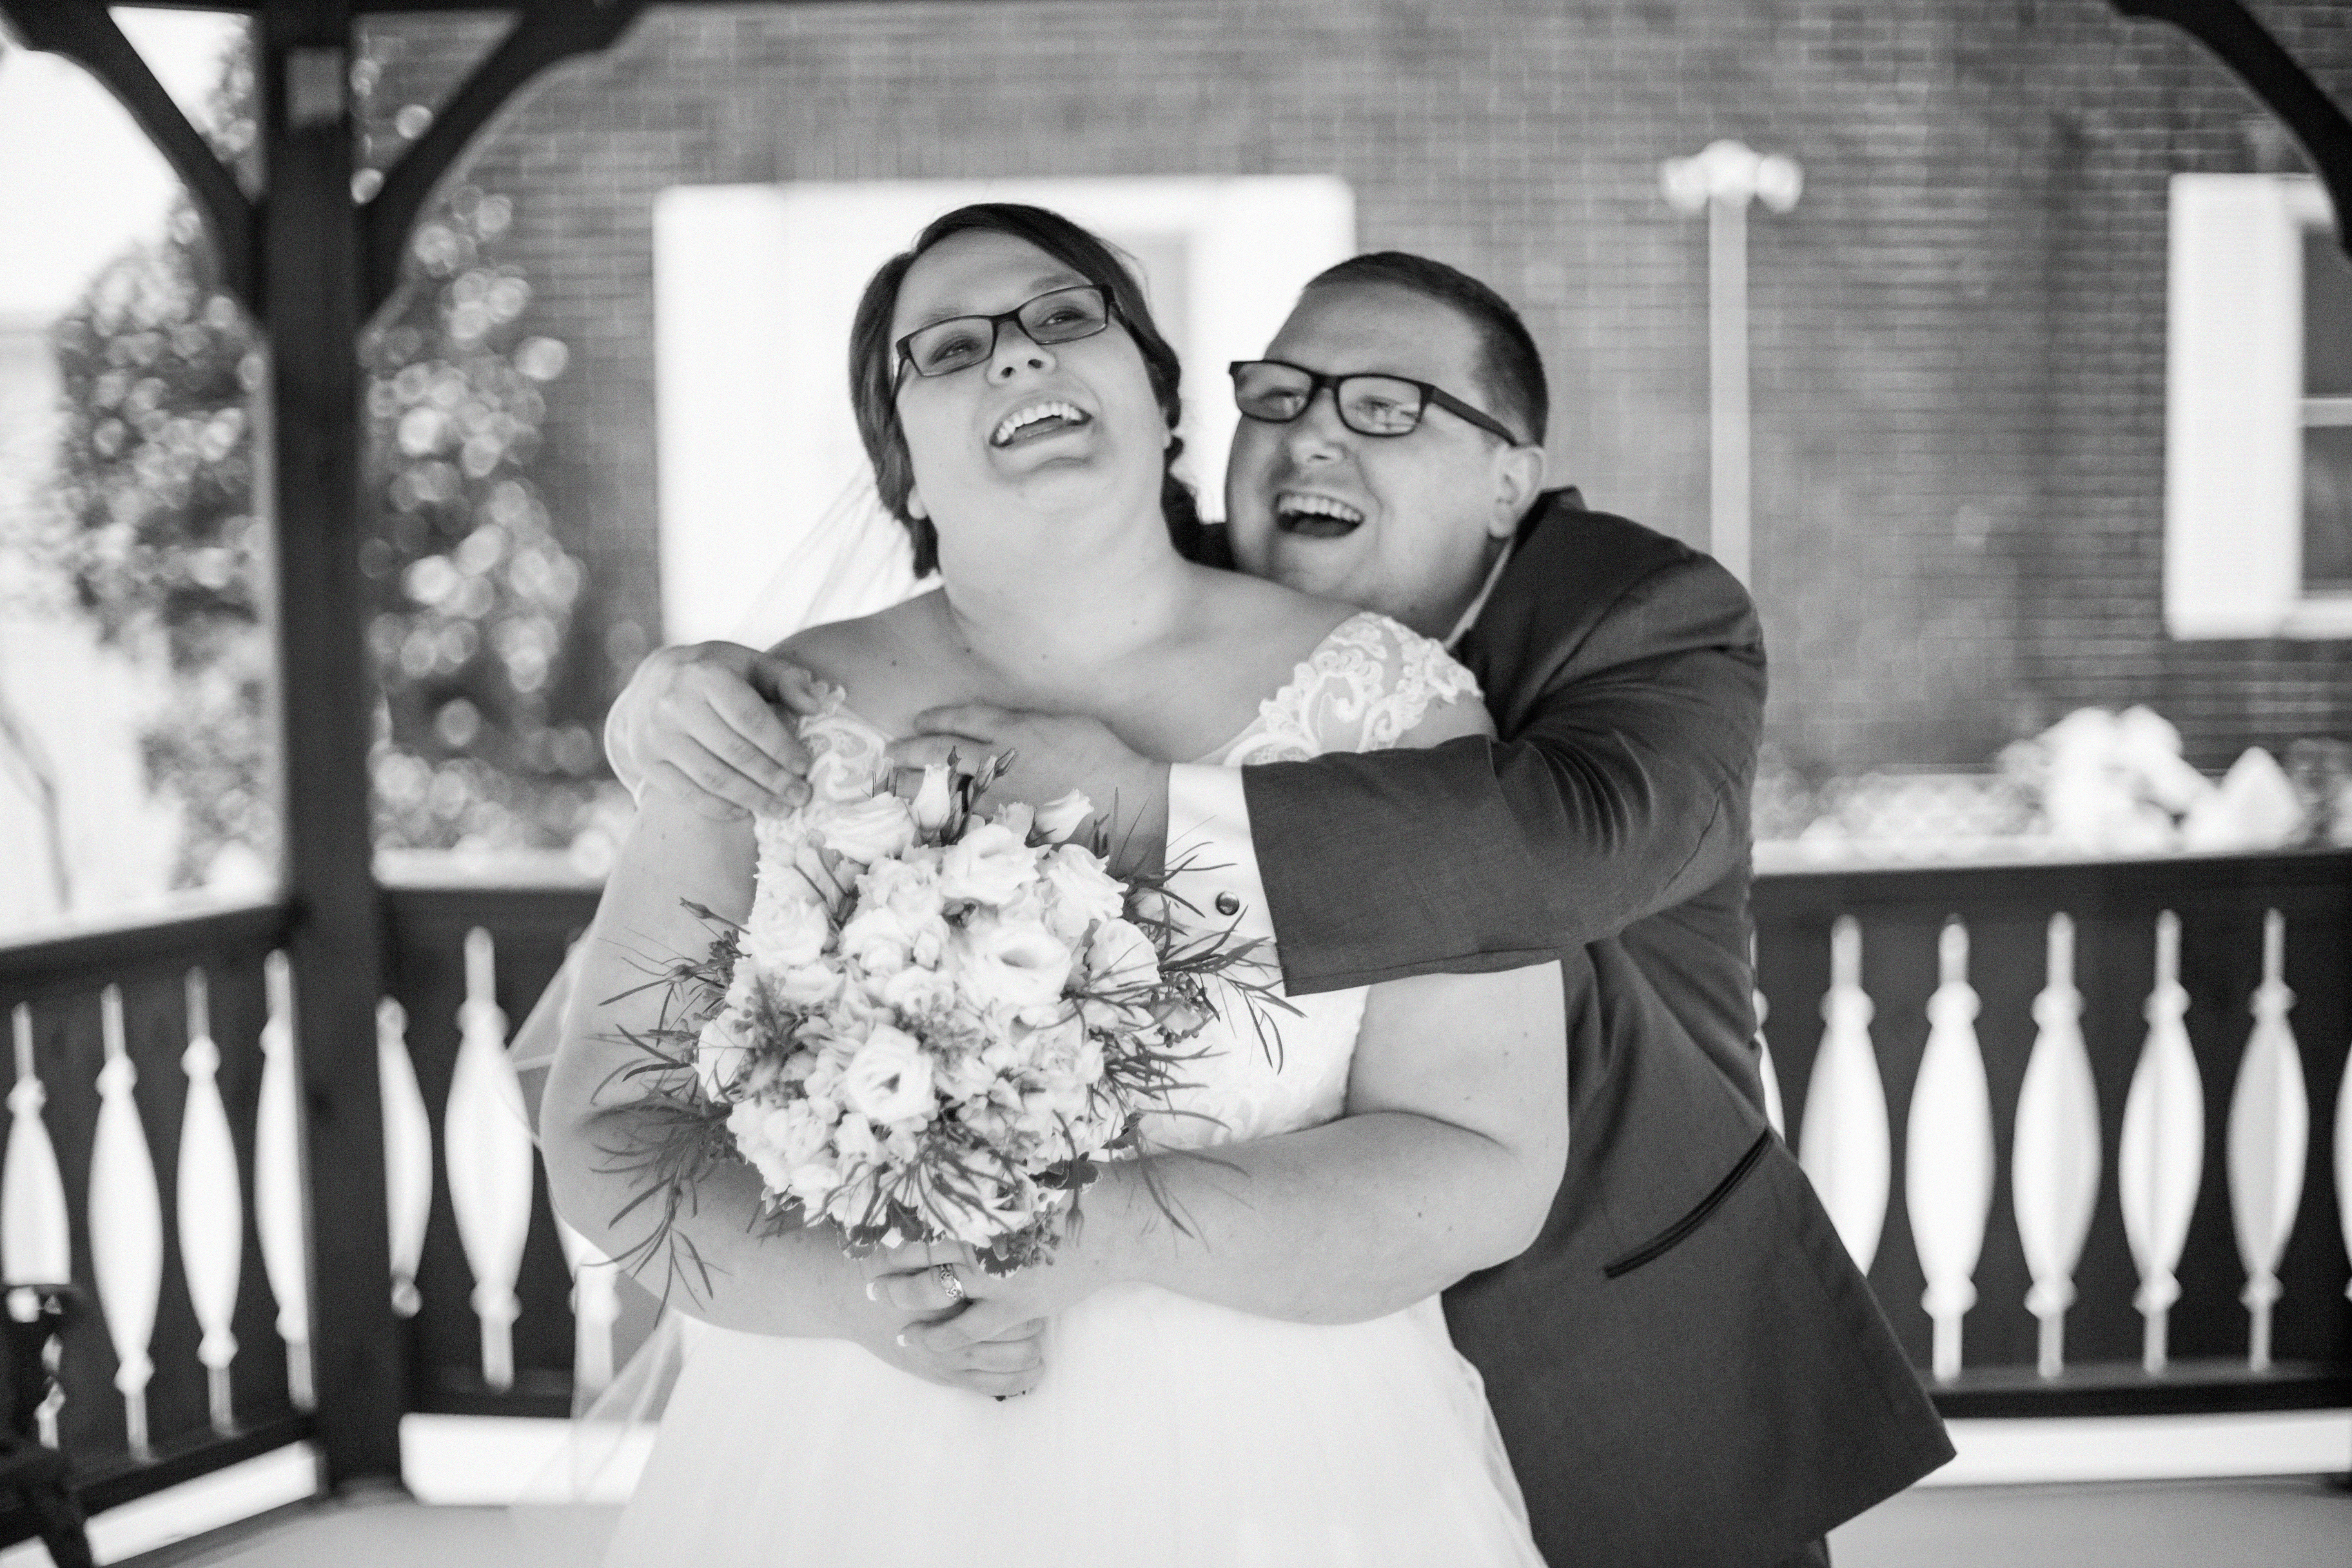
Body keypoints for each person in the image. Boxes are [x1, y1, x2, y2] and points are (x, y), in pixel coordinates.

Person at [601, 247, 1956, 1566]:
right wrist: (661, 720)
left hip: (1603, 1315)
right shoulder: (1107, 553)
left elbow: (1567, 847)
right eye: (1283, 396)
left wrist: (1146, 808)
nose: (1314, 439)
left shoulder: (1641, 613)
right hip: (1009, 1403)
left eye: (1386, 408)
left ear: (1509, 479)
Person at [541, 203, 1568, 1565]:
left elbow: (1486, 1158)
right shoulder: (769, 719)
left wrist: (1108, 1229)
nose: (1017, 359)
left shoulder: (1391, 712)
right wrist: (862, 1294)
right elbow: (610, 1125)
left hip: (1285, 1473)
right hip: (842, 1477)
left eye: (1063, 318)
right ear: (899, 469)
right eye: (951, 350)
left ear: (1158, 397)